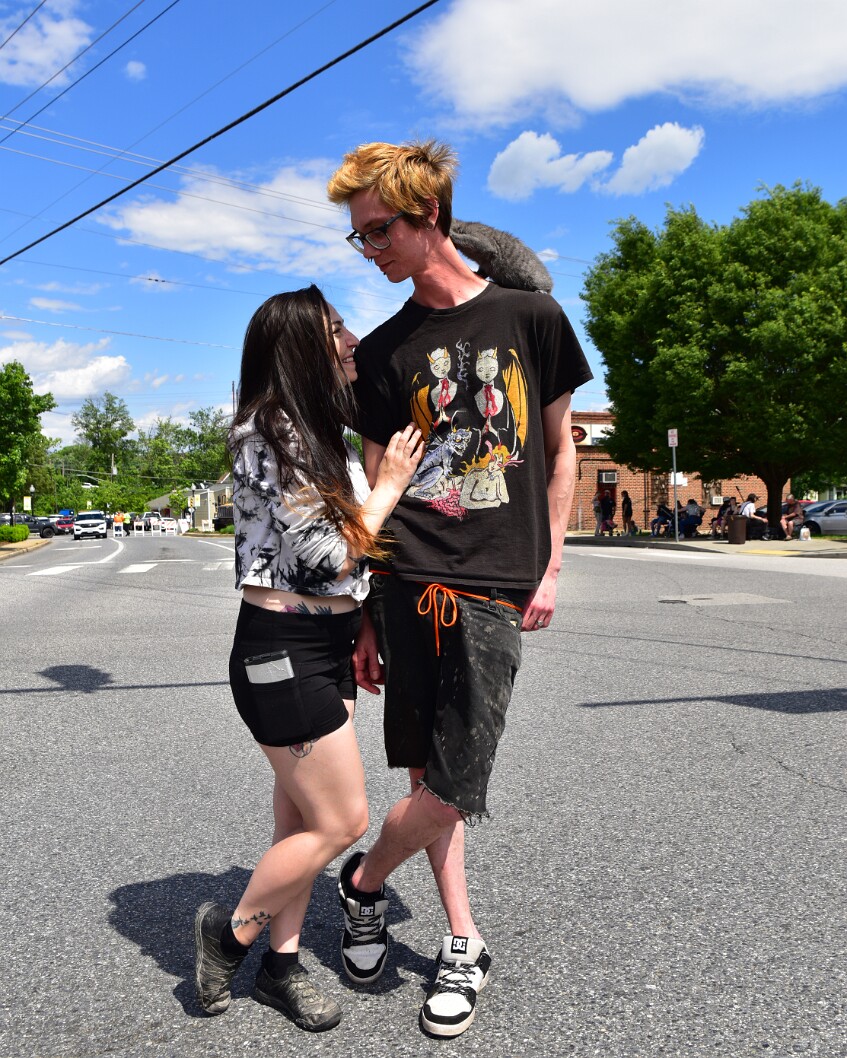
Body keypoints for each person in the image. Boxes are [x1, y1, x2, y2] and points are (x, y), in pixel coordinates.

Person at [326, 139, 593, 1038]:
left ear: (428, 216)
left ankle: (361, 882)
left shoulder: (531, 318)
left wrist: (550, 564)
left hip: (491, 583)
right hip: (405, 582)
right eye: (359, 239)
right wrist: (364, 609)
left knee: (455, 781)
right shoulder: (383, 353)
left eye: (379, 231)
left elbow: (559, 451)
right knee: (422, 771)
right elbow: (374, 491)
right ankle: (462, 938)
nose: (371, 252)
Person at [192, 286, 423, 1032]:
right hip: (280, 649)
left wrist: (359, 627)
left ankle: (281, 971)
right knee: (341, 821)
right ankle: (230, 933)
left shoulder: (318, 428)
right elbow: (325, 555)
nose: (353, 338)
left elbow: (341, 574)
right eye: (336, 329)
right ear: (299, 345)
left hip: (325, 642)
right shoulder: (268, 429)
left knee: (300, 818)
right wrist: (387, 486)